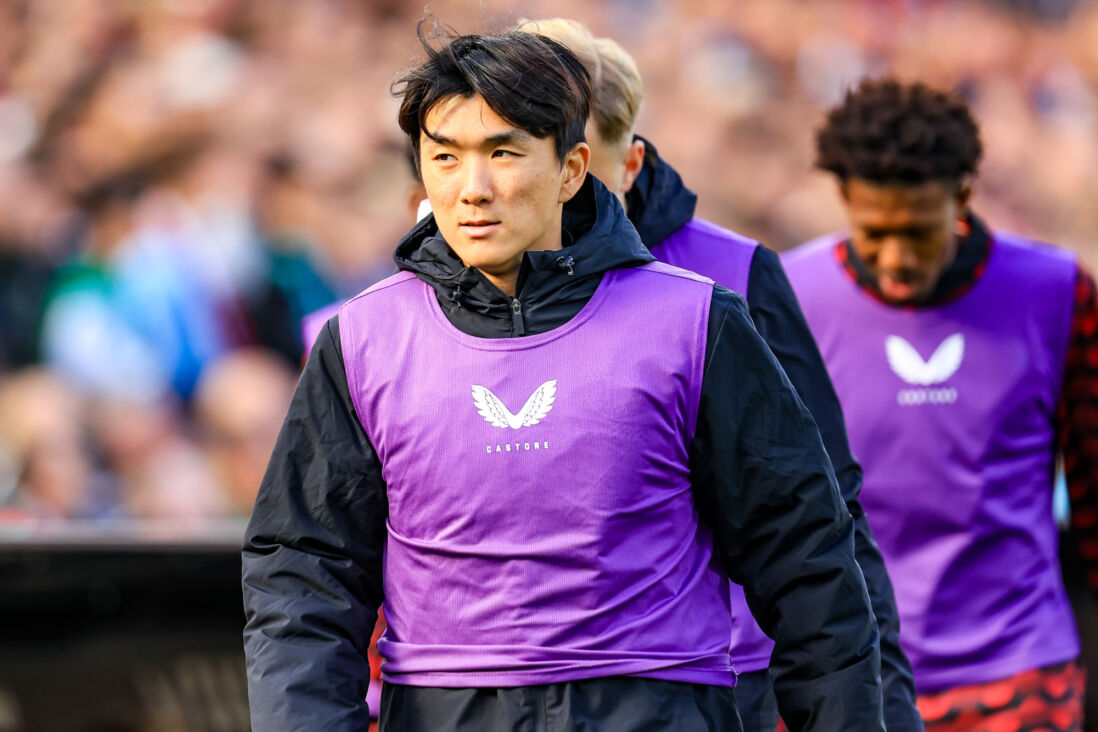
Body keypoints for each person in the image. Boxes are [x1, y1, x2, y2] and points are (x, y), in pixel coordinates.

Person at [242, 28, 883, 732]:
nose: (472, 189)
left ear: (574, 168)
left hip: (660, 709)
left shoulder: (697, 323)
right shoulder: (362, 342)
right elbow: (304, 571)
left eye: (503, 153)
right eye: (445, 158)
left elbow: (807, 559)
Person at [519, 18, 921, 732]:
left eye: (579, 162)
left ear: (628, 164)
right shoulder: (448, 294)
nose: (558, 188)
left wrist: (880, 709)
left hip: (732, 678)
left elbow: (829, 510)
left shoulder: (733, 274)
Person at [782, 78, 1095, 731]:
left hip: (1019, 671)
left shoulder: (1057, 291)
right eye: (876, 233)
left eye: (919, 232)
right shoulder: (785, 297)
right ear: (843, 198)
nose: (897, 259)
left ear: (962, 195)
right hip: (847, 672)